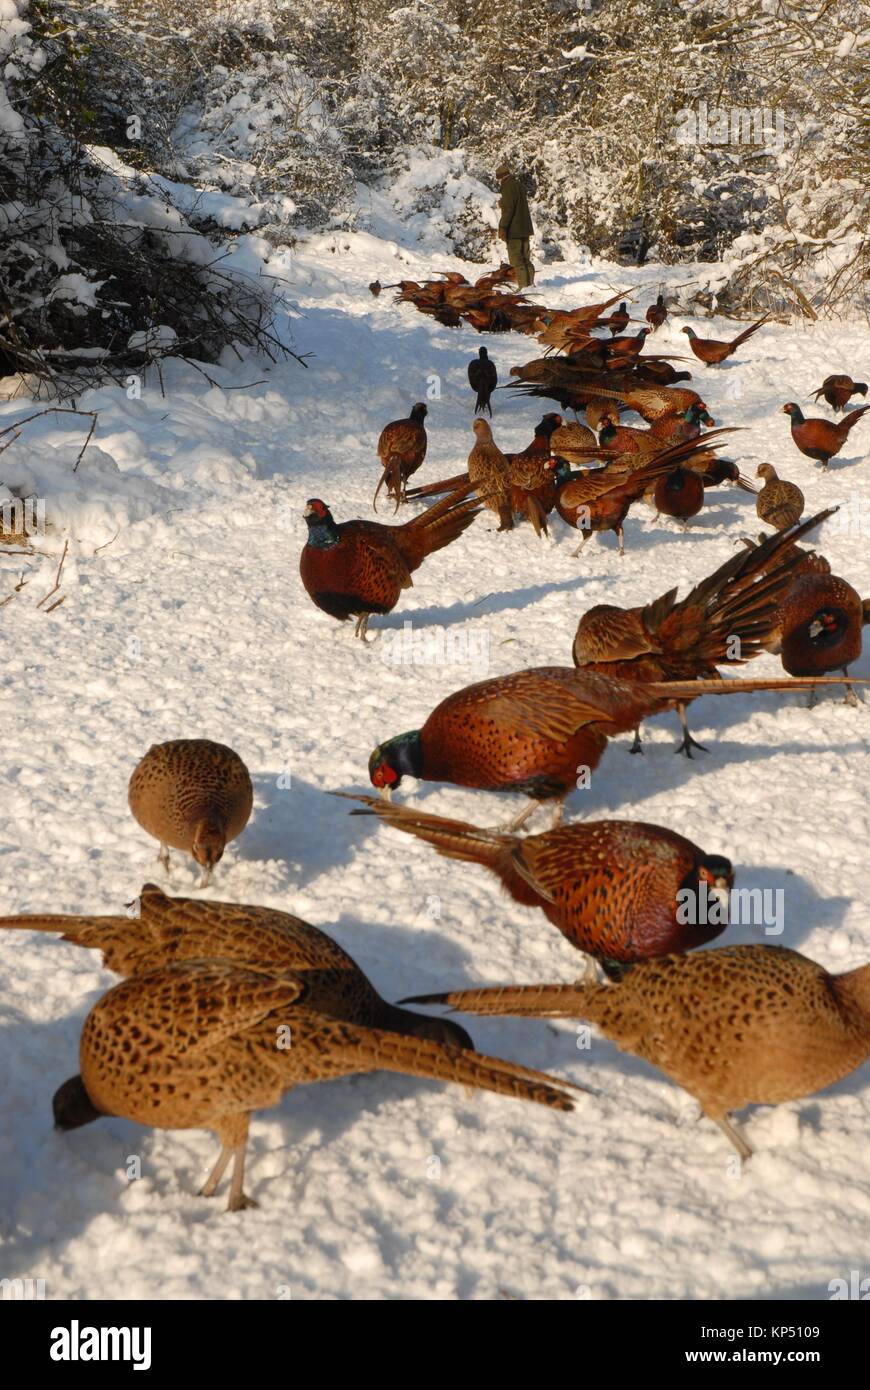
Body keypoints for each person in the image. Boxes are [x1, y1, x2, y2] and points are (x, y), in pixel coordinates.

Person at [496, 162, 535, 289]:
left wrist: (503, 227)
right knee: (526, 259)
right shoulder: (519, 185)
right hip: (525, 229)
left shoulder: (507, 187)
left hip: (514, 231)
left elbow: (509, 209)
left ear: (501, 178)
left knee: (517, 261)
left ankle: (523, 287)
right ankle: (530, 285)